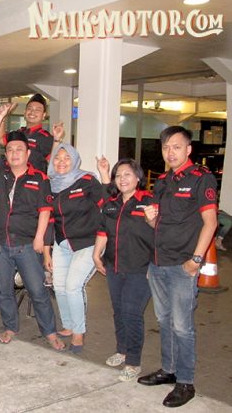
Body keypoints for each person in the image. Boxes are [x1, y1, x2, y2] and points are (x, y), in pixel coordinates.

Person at [139, 126, 218, 408]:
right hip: (158, 263)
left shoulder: (201, 178)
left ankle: (185, 382)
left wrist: (195, 260)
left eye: (176, 146)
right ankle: (169, 369)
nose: (170, 152)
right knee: (164, 320)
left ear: (188, 149)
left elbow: (211, 222)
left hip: (183, 265)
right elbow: (157, 223)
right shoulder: (162, 181)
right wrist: (150, 219)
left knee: (183, 326)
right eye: (165, 147)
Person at [0, 103, 64, 350]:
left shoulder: (39, 178)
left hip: (27, 245)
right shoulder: (1, 172)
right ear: (6, 155)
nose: (14, 153)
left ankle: (50, 332)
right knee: (4, 290)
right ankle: (10, 327)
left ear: (28, 154)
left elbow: (45, 210)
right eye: (10, 150)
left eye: (19, 149)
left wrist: (40, 238)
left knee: (38, 291)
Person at [93, 157, 154, 381]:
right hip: (114, 266)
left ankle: (133, 362)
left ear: (138, 177)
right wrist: (96, 254)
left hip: (140, 268)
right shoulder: (112, 203)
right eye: (118, 175)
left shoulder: (149, 201)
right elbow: (103, 230)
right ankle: (122, 350)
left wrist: (155, 264)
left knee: (132, 313)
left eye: (127, 174)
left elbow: (162, 233)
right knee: (118, 310)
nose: (122, 179)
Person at [43, 143, 103, 353]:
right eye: (58, 158)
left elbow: (106, 203)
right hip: (62, 243)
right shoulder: (51, 184)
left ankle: (79, 332)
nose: (62, 162)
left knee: (72, 286)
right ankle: (68, 325)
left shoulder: (87, 181)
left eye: (67, 158)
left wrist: (105, 175)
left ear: (75, 160)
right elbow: (49, 219)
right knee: (59, 286)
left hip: (87, 242)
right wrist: (47, 251)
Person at [0, 93, 65, 172]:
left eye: (37, 110)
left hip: (34, 179)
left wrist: (56, 139)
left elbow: (54, 163)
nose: (32, 112)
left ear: (44, 115)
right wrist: (3, 116)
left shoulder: (46, 138)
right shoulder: (19, 133)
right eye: (30, 109)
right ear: (24, 112)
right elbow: (0, 139)